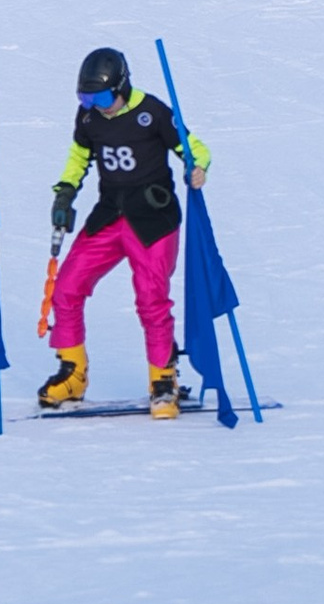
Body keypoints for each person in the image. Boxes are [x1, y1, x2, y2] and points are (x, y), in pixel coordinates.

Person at [37, 44, 208, 416]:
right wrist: (64, 193)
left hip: (153, 219)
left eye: (100, 96)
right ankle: (72, 373)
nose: (94, 104)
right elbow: (79, 156)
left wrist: (197, 168)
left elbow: (192, 147)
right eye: (85, 97)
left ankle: (164, 379)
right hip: (110, 214)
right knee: (67, 286)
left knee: (151, 299)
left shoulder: (153, 112)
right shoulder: (89, 118)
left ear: (121, 87)